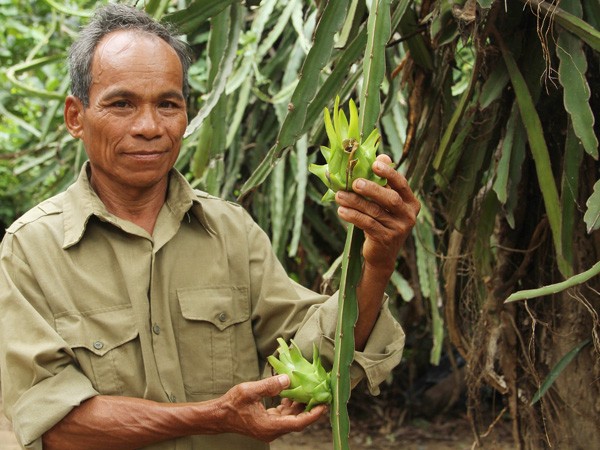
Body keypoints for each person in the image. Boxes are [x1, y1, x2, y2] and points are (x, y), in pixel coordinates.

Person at [0, 4, 420, 450]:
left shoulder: (231, 231)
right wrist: (213, 417)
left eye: (167, 104)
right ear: (75, 117)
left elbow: (318, 358)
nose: (149, 127)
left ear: (187, 114)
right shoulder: (30, 249)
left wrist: (376, 261)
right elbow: (55, 422)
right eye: (121, 104)